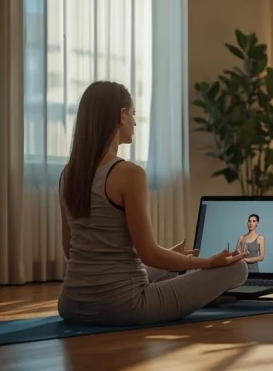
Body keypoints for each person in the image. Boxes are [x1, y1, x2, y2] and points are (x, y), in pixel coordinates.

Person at [57, 81, 249, 326]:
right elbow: (149, 255)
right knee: (237, 269)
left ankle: (179, 269)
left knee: (171, 266)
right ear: (121, 115)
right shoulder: (129, 173)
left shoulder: (68, 174)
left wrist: (169, 256)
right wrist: (208, 263)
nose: (135, 122)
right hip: (125, 305)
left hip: (71, 303)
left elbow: (70, 249)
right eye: (133, 114)